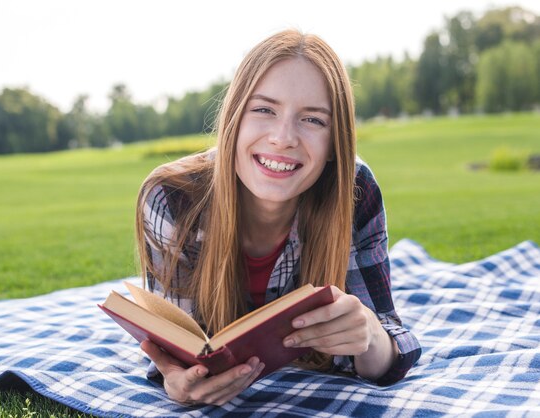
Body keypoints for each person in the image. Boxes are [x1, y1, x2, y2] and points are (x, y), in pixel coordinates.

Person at [134, 29, 421, 406]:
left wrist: (369, 336)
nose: (283, 138)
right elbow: (175, 355)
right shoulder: (172, 199)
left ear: (337, 143)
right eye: (264, 110)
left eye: (313, 120)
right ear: (234, 120)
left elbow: (388, 344)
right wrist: (177, 381)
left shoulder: (353, 189)